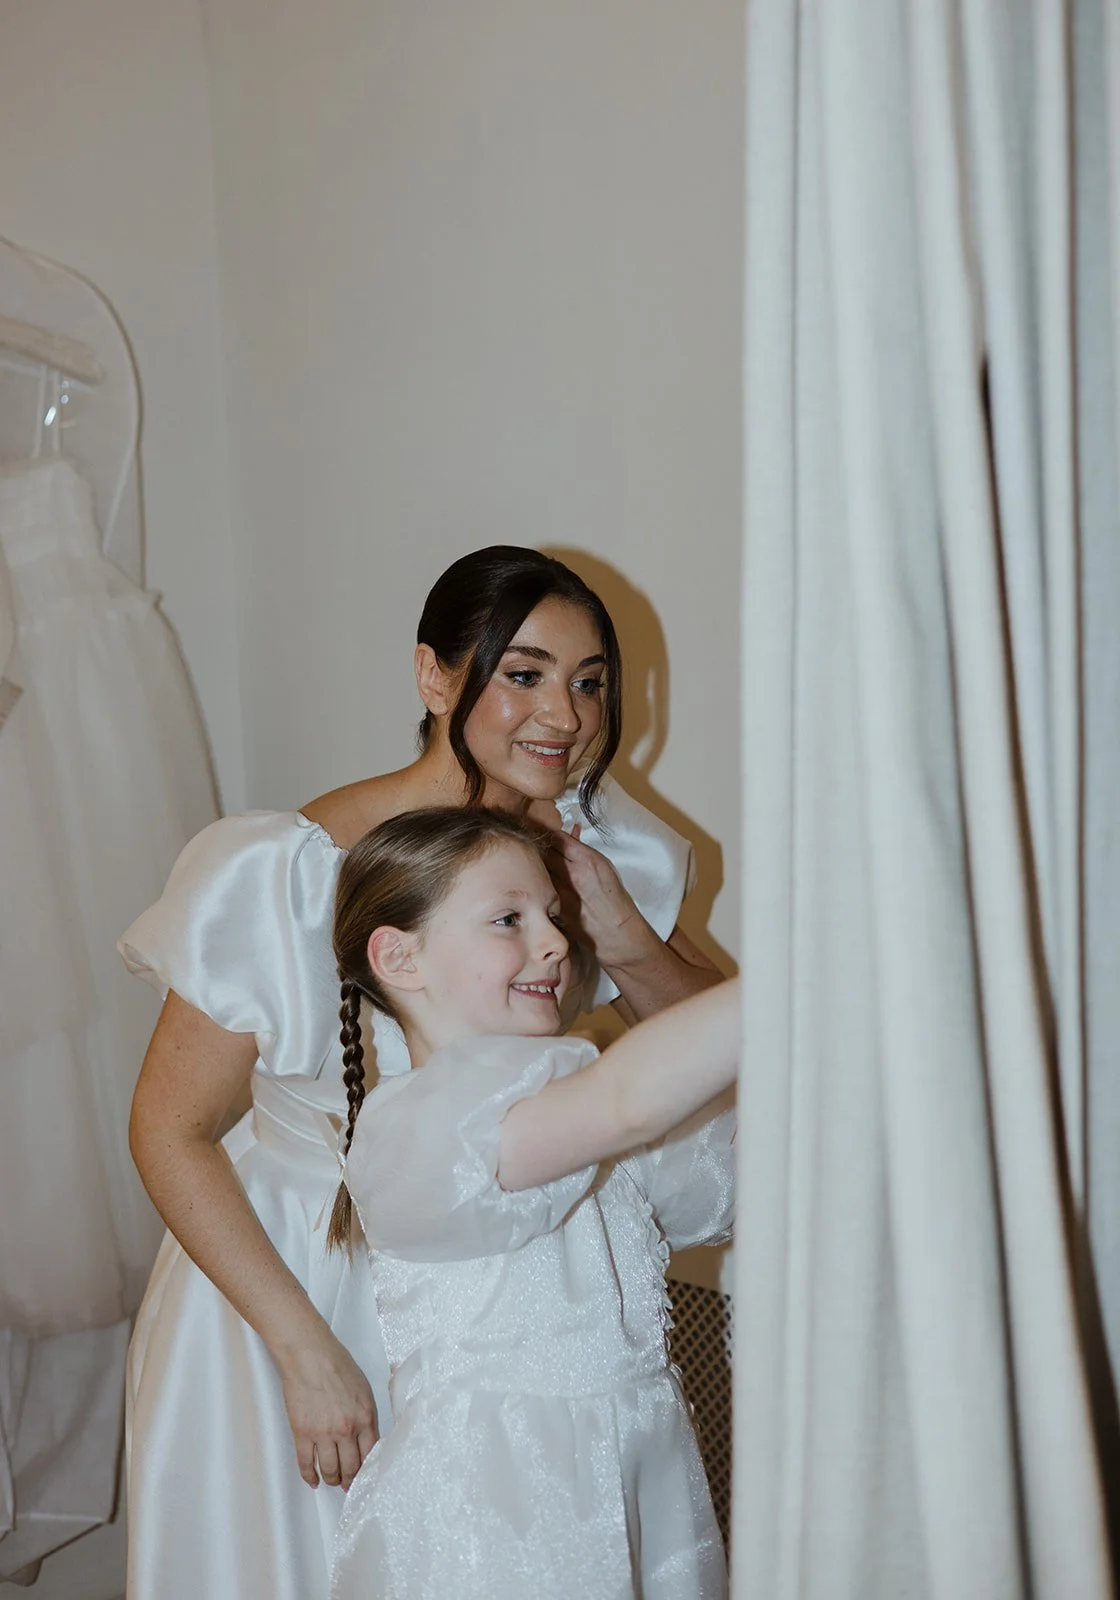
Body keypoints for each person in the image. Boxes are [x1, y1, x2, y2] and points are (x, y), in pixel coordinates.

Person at [119, 546, 723, 1600]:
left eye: (590, 682)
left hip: (500, 1311)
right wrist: (303, 1350)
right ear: (435, 677)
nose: (566, 714)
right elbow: (169, 1130)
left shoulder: (597, 851)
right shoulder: (286, 870)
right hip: (292, 1286)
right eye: (523, 673)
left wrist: (619, 932)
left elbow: (712, 1067)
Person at [326, 805, 738, 1600]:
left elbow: (722, 1151)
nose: (554, 941)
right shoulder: (415, 1128)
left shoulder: (568, 1099)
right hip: (500, 1509)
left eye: (554, 914)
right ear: (400, 957)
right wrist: (802, 975)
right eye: (509, 918)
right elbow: (627, 1101)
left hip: (637, 1468)